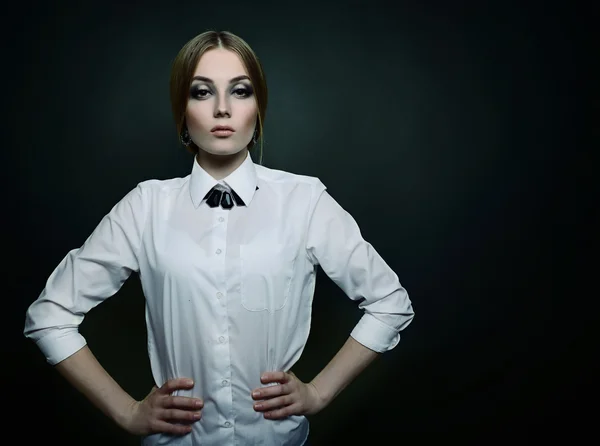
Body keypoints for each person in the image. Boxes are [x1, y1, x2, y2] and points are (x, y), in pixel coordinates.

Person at [23, 30, 415, 446]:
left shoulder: (305, 200)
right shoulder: (146, 206)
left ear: (259, 107)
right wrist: (126, 411)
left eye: (240, 91)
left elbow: (390, 304)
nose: (223, 109)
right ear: (182, 111)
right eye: (202, 92)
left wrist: (317, 393)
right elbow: (50, 316)